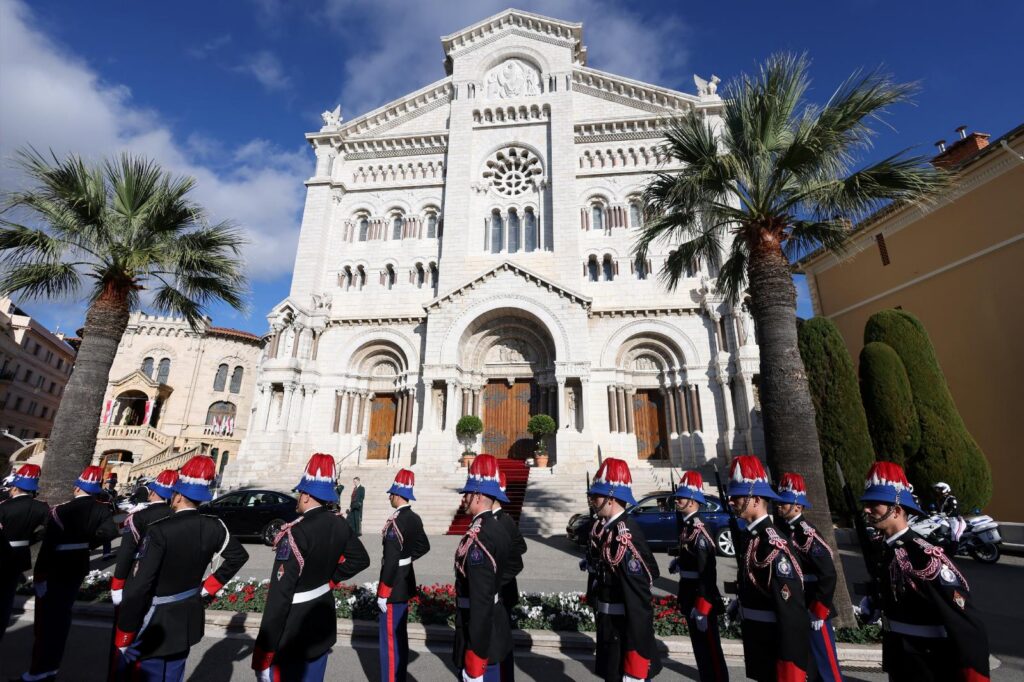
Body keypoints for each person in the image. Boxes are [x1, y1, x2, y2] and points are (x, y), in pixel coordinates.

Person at [113, 456, 249, 681]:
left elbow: (141, 584)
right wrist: (208, 587)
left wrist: (125, 632)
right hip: (188, 614)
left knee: (147, 673)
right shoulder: (215, 526)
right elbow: (238, 556)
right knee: (175, 671)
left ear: (177, 497)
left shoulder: (159, 531)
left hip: (156, 619)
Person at [859, 462, 990, 681]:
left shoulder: (923, 556)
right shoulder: (885, 548)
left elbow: (966, 622)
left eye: (875, 505)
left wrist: (974, 675)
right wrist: (874, 601)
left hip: (927, 661)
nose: (867, 510)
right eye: (867, 504)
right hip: (900, 654)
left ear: (897, 510)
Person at [251, 453, 370, 682]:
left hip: (294, 630)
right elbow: (360, 559)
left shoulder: (296, 532)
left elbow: (279, 597)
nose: (297, 498)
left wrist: (263, 654)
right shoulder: (339, 523)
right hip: (322, 621)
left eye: (299, 493)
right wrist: (330, 579)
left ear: (306, 496)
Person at [18, 466, 119, 682]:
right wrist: (87, 544)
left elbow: (48, 547)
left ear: (76, 488)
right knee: (63, 615)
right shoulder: (101, 509)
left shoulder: (60, 511)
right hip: (78, 566)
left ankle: (39, 671)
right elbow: (111, 531)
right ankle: (52, 665)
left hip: (55, 567)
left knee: (46, 621)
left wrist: (39, 576)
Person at [725, 455, 809, 682]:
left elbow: (790, 613)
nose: (731, 501)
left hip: (775, 647)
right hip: (759, 642)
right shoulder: (753, 537)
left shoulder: (772, 543)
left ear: (755, 499)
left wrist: (790, 669)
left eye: (737, 496)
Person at [588, 457, 659, 682]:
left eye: (596, 495)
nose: (591, 500)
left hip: (624, 635)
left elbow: (639, 601)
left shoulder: (624, 535)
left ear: (610, 498)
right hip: (611, 629)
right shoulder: (609, 531)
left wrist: (635, 661)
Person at [107, 469, 177, 679]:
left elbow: (126, 553)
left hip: (136, 578)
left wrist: (117, 585)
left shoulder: (138, 516)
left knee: (125, 635)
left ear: (153, 493)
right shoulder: (176, 515)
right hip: (165, 580)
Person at [776, 473, 844, 682]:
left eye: (784, 502)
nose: (779, 506)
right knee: (809, 666)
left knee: (826, 666)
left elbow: (828, 574)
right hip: (799, 605)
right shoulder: (785, 531)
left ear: (797, 506)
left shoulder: (807, 533)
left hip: (813, 606)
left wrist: (819, 610)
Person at [453, 454, 512, 682]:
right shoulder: (497, 528)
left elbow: (480, 599)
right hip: (491, 629)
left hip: (478, 637)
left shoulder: (481, 537)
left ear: (477, 495)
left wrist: (475, 662)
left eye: (467, 493)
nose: (464, 499)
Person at [669, 470, 727, 682]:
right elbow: (692, 558)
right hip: (689, 594)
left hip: (700, 598)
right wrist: (680, 563)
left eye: (681, 497)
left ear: (693, 501)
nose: (677, 500)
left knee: (710, 652)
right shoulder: (688, 526)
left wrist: (702, 607)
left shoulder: (699, 530)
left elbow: (707, 574)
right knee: (701, 652)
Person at [376, 469, 430, 682]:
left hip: (393, 586)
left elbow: (390, 560)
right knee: (399, 637)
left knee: (390, 642)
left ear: (398, 494)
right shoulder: (414, 518)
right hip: (405, 581)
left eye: (391, 493)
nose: (390, 497)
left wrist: (382, 593)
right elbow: (424, 546)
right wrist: (406, 560)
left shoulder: (395, 521)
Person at [0, 464, 48, 643]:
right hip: (20, 555)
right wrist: (31, 539)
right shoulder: (41, 507)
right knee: (7, 598)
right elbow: (48, 530)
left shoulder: (4, 507)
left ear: (14, 487)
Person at [492, 470, 526, 682]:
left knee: (501, 643)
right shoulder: (503, 519)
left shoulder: (503, 521)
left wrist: (498, 577)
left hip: (502, 591)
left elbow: (519, 549)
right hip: (501, 590)